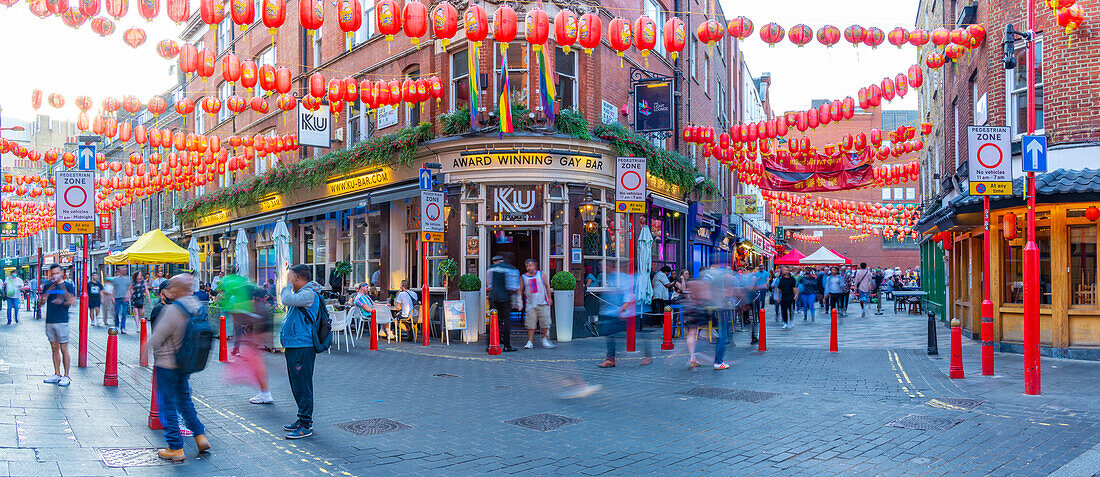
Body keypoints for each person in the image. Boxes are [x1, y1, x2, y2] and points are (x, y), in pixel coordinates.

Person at [142, 274, 211, 461]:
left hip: (167, 363)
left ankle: (175, 448)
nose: (169, 289)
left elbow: (158, 337)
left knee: (167, 405)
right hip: (186, 362)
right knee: (185, 400)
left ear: (179, 290)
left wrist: (143, 353)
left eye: (172, 286)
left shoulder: (173, 310)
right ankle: (200, 436)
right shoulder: (197, 306)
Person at [279, 265, 322, 439]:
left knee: (303, 385)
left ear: (300, 278)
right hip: (295, 345)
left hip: (303, 346)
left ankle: (305, 424)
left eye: (291, 277)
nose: (289, 281)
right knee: (296, 384)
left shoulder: (309, 294)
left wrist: (286, 285)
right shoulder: (302, 294)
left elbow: (286, 299)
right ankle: (301, 419)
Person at [597, 272, 651, 368]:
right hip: (621, 312)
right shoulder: (617, 277)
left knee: (636, 334)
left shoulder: (631, 278)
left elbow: (630, 296)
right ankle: (611, 358)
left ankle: (647, 356)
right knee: (611, 333)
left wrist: (622, 309)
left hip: (632, 312)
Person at [39, 265, 75, 386]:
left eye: (57, 273)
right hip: (50, 320)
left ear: (61, 273)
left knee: (64, 348)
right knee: (54, 347)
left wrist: (64, 297)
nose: (55, 275)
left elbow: (72, 302)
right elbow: (41, 302)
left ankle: (66, 375)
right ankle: (56, 373)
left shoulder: (68, 286)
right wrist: (45, 297)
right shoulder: (48, 286)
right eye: (53, 273)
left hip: (62, 320)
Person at [486, 254, 519, 352]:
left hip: (493, 298)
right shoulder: (511, 269)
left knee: (493, 320)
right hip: (505, 298)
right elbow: (513, 287)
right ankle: (507, 345)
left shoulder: (490, 269)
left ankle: (490, 344)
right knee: (506, 321)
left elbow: (489, 285)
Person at [520, 259, 554, 349]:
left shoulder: (541, 274)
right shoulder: (523, 277)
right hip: (530, 304)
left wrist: (549, 298)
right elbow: (520, 290)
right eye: (527, 266)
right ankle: (530, 341)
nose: (529, 267)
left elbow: (547, 286)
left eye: (530, 265)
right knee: (530, 324)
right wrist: (519, 301)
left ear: (535, 266)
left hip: (543, 302)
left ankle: (545, 338)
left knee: (545, 323)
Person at [112, 267, 132, 333]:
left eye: (125, 270)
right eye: (122, 270)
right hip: (117, 297)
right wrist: (112, 297)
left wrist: (128, 295)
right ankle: (117, 325)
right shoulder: (116, 279)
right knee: (116, 312)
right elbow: (114, 288)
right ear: (119, 271)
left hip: (124, 298)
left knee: (124, 313)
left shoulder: (128, 279)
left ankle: (123, 327)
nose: (124, 271)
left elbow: (129, 288)